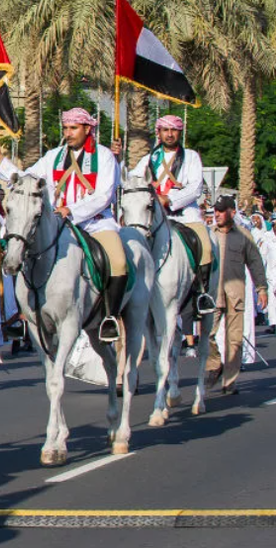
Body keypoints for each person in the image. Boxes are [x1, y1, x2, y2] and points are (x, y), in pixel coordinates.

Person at [0, 108, 126, 343]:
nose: (68, 133)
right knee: (22, 252)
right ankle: (26, 315)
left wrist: (71, 210)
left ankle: (109, 318)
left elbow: (104, 195)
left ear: (87, 129)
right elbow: (26, 179)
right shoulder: (53, 156)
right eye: (66, 128)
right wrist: (1, 161)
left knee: (118, 261)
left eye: (73, 128)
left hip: (95, 224)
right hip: (58, 224)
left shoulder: (104, 156)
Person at [115, 114, 215, 316]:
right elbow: (130, 182)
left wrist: (169, 199)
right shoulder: (148, 159)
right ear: (158, 133)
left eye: (174, 130)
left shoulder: (191, 157)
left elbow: (195, 188)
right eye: (165, 130)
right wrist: (117, 160)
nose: (169, 135)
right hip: (154, 219)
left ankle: (201, 294)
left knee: (205, 247)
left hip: (184, 216)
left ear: (180, 132)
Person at [205, 196, 269, 394]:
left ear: (232, 212)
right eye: (215, 210)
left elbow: (256, 263)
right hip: (213, 294)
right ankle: (215, 364)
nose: (217, 214)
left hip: (235, 294)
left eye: (221, 210)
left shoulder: (242, 235)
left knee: (234, 339)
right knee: (207, 334)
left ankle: (229, 382)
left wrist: (261, 289)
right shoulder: (209, 235)